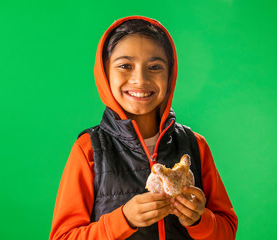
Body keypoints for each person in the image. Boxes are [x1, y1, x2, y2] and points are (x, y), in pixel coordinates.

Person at [49, 16, 238, 240]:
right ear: (105, 72)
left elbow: (226, 231)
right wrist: (123, 220)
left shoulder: (195, 144)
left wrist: (199, 220)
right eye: (125, 66)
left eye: (155, 66)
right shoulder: (88, 149)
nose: (140, 79)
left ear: (171, 74)